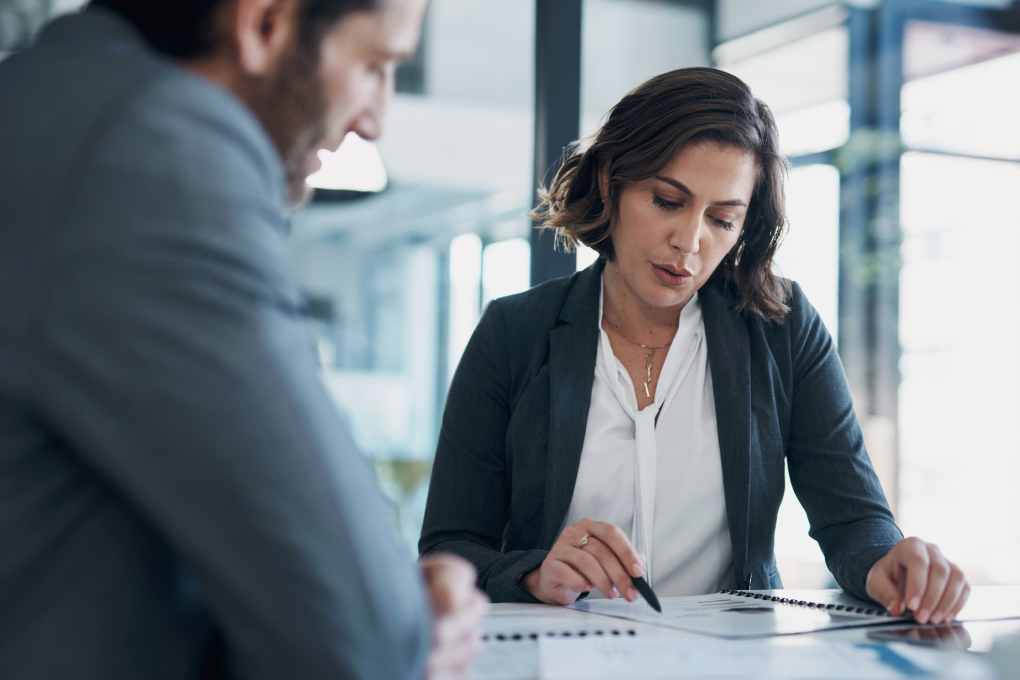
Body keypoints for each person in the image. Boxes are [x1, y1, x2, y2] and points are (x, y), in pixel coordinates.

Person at [0, 1, 487, 679]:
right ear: (265, 24)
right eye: (374, 65)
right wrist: (399, 622)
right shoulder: (151, 149)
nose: (376, 121)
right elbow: (359, 645)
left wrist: (382, 608)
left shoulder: (40, 99)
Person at [420, 67, 970, 625]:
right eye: (666, 201)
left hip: (729, 658)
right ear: (611, 179)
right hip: (560, 655)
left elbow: (853, 519)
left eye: (723, 219)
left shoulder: (782, 325)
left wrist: (890, 562)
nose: (689, 242)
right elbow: (451, 546)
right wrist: (536, 573)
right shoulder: (513, 331)